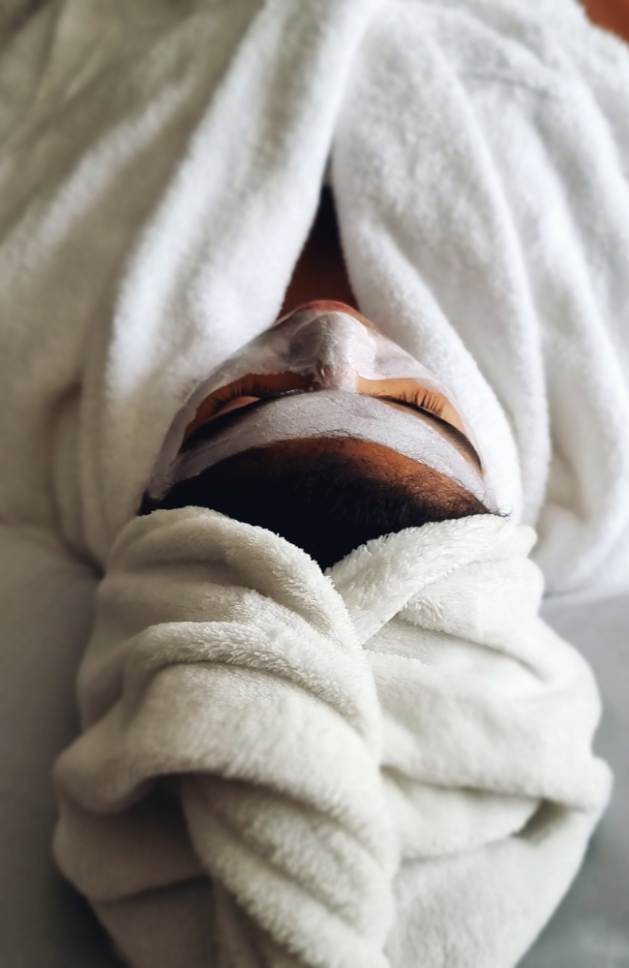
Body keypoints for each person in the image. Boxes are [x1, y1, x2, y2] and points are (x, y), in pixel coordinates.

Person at [1, 1, 628, 967]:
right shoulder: (604, 406)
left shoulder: (25, 386)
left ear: (149, 492)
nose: (333, 338)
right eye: (415, 407)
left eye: (240, 403)